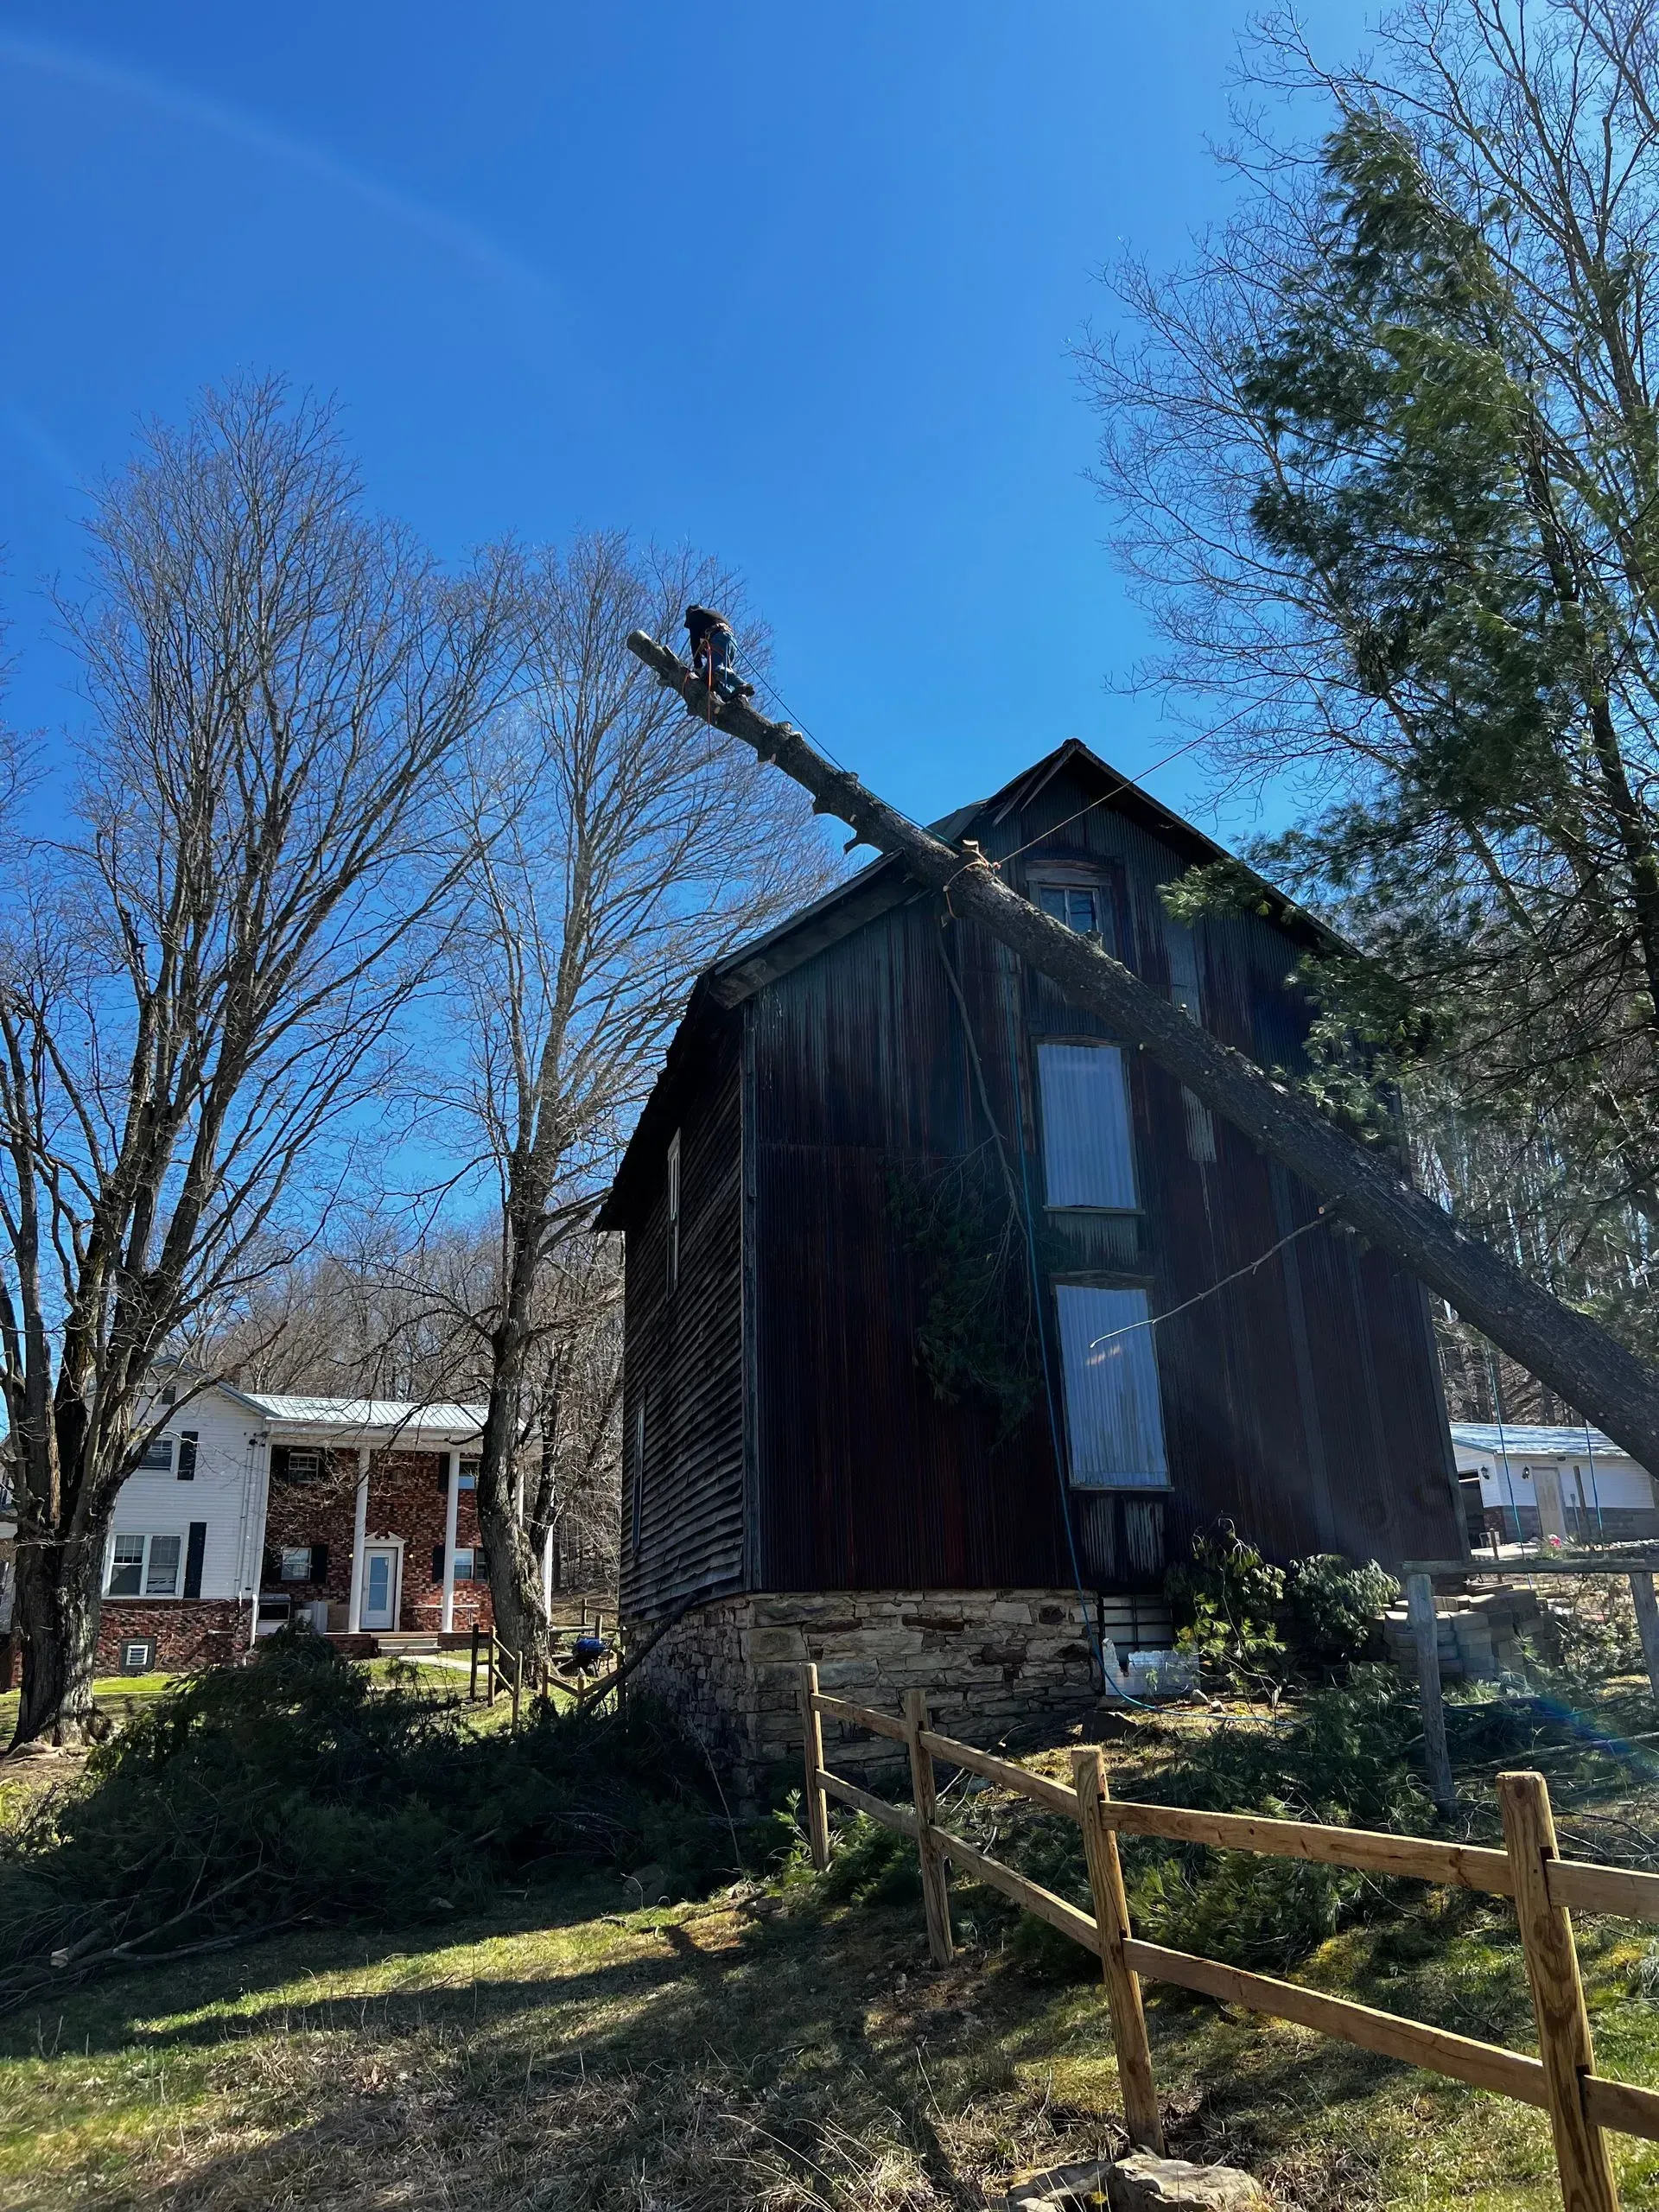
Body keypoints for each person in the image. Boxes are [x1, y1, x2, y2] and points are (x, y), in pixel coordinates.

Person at [684, 605, 754, 700]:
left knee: (715, 669)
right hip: (730, 643)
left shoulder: (694, 615)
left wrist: (698, 667)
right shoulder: (710, 617)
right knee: (707, 677)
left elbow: (694, 642)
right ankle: (729, 697)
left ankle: (741, 685)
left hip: (720, 638)